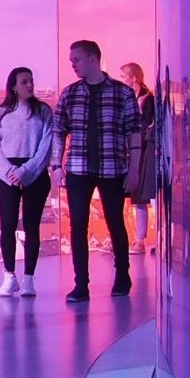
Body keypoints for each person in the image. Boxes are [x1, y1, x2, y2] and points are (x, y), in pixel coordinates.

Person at [55, 38, 141, 303]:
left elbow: (134, 132)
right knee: (77, 225)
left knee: (115, 222)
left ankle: (122, 276)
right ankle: (81, 284)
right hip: (79, 168)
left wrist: (135, 168)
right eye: (71, 60)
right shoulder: (69, 94)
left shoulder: (121, 93)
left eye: (76, 59)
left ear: (93, 59)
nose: (73, 65)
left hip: (112, 167)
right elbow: (58, 132)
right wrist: (56, 166)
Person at [0, 67, 54, 297]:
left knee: (31, 225)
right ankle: (9, 276)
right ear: (14, 86)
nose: (30, 85)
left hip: (34, 174)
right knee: (7, 225)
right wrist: (9, 172)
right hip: (7, 175)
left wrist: (25, 172)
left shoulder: (43, 112)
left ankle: (28, 279)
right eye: (25, 81)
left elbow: (46, 146)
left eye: (31, 81)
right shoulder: (1, 113)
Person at [120, 61, 160, 246]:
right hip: (133, 153)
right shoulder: (131, 99)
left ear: (133, 78)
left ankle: (144, 240)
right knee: (136, 199)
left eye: (124, 76)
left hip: (144, 154)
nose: (122, 80)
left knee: (145, 198)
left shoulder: (147, 100)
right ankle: (134, 238)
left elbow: (144, 127)